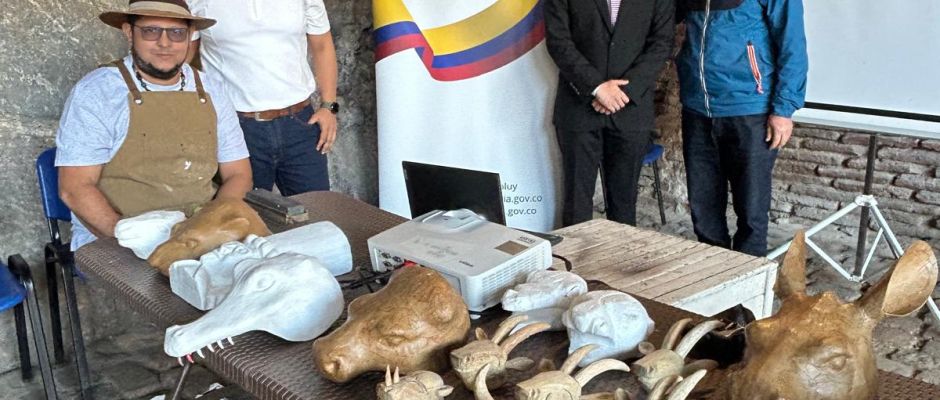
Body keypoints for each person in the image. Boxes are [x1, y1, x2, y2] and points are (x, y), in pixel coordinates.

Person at [56, 0, 252, 251]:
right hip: (115, 240)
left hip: (199, 232)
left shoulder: (212, 89)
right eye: (151, 31)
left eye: (177, 32)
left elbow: (238, 174)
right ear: (129, 32)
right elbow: (75, 188)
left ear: (190, 35)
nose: (165, 43)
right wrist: (128, 239)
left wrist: (212, 225)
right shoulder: (97, 92)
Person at [676, 0, 807, 256]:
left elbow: (792, 45)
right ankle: (712, 272)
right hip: (697, 108)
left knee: (751, 210)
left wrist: (783, 109)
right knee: (703, 209)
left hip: (750, 109)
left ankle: (749, 275)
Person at [186, 0, 340, 195]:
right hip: (235, 127)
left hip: (300, 124)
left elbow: (322, 45)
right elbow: (184, 56)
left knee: (317, 208)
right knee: (242, 210)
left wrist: (329, 106)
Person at [544, 0, 676, 227]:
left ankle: (621, 252)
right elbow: (558, 41)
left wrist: (623, 93)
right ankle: (576, 252)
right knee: (576, 205)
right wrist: (596, 88)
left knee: (624, 206)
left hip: (630, 110)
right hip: (578, 108)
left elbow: (662, 43)